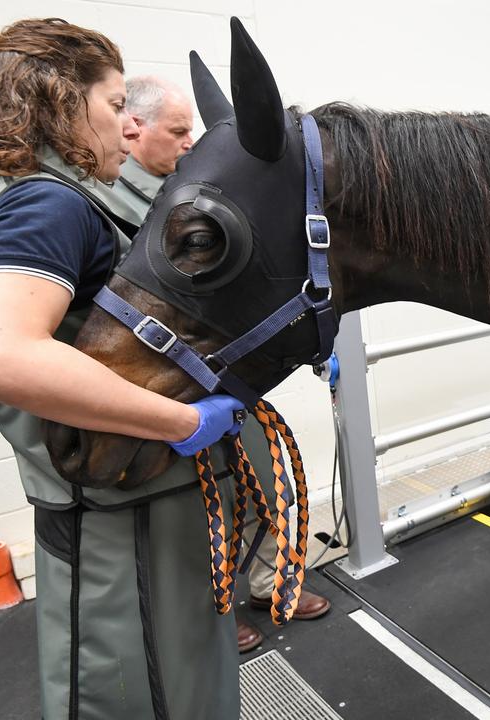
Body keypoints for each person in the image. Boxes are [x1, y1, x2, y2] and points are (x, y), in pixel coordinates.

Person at [0, 18, 259, 719]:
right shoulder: (47, 202)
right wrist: (182, 419)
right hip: (120, 510)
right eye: (117, 104)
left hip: (134, 498)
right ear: (62, 102)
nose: (127, 126)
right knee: (145, 691)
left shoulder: (41, 191)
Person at [112, 73, 332, 653]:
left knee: (264, 482)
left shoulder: (188, 183)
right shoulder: (125, 197)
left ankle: (266, 581)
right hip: (171, 381)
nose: (190, 143)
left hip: (222, 377)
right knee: (201, 507)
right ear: (135, 129)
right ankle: (217, 609)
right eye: (178, 131)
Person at [114, 75, 194, 215]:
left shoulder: (185, 183)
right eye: (178, 132)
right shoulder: (111, 192)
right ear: (136, 126)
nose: (190, 144)